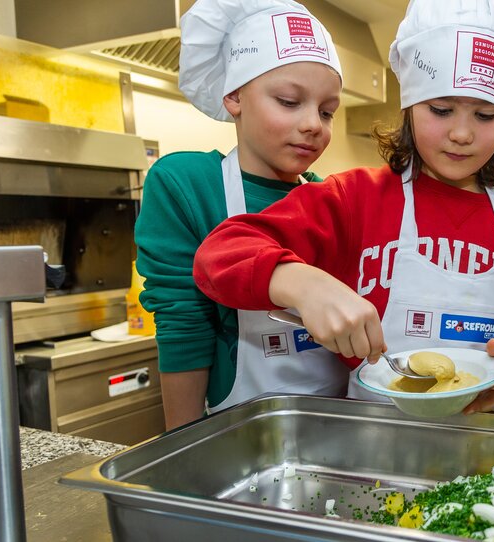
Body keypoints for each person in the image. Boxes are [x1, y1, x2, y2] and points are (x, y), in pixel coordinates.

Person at [193, 0, 494, 414]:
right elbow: (221, 253)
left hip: (492, 446)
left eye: (485, 115)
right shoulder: (355, 199)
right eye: (441, 109)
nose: (462, 133)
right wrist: (301, 283)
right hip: (373, 445)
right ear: (409, 107)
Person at [135, 0, 349, 430]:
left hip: (339, 424)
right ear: (233, 96)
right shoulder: (189, 183)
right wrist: (184, 445)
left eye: (327, 112)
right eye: (289, 101)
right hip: (240, 432)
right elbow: (183, 324)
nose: (314, 125)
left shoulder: (330, 197)